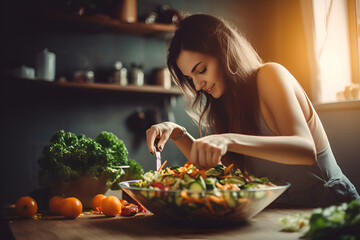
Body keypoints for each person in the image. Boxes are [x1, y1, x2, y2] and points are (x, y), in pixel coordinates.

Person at [145, 14, 359, 207]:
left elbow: (304, 150)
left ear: (225, 53)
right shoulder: (224, 105)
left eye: (201, 70)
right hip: (281, 213)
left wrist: (228, 139)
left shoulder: (270, 75)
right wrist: (175, 131)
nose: (198, 85)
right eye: (191, 79)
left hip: (331, 204)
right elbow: (212, 164)